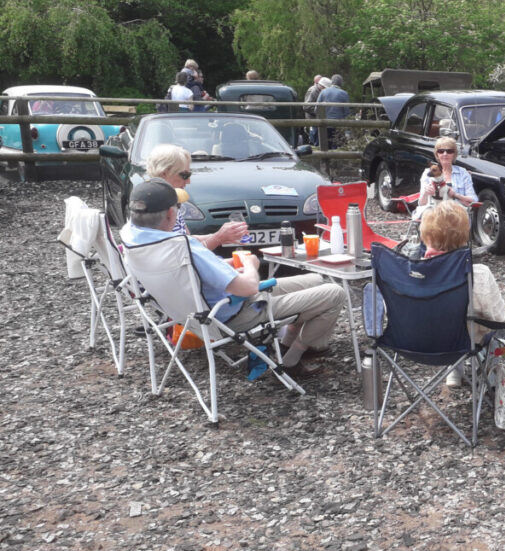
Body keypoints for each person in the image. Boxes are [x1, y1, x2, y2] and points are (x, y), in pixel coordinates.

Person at [121, 179, 344, 378]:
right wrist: (251, 265)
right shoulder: (182, 246)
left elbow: (192, 273)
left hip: (193, 315)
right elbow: (247, 287)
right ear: (171, 213)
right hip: (235, 313)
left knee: (315, 280)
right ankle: (291, 359)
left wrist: (227, 266)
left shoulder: (135, 241)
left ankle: (285, 347)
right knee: (335, 293)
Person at [420, 201, 505, 385]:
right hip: (463, 341)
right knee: (498, 321)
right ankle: (491, 374)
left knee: (450, 319)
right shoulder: (477, 274)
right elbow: (499, 319)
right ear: (464, 237)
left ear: (426, 237)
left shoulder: (412, 273)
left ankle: (454, 372)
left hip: (418, 341)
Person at [144, 144, 249, 249]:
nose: (188, 181)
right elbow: (180, 253)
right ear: (164, 173)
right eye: (184, 175)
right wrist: (218, 238)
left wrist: (224, 236)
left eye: (189, 175)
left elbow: (187, 239)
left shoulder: (170, 200)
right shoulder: (156, 207)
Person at [416, 136, 477, 216]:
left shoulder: (463, 173)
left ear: (454, 154)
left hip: (455, 213)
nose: (445, 154)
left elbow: (473, 200)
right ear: (437, 154)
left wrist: (456, 195)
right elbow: (421, 203)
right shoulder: (428, 173)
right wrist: (425, 193)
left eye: (449, 151)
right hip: (433, 213)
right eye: (441, 151)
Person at [316, 74, 351, 148]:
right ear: (341, 83)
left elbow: (317, 109)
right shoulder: (344, 94)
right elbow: (347, 112)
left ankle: (325, 159)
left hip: (324, 124)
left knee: (324, 148)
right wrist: (347, 131)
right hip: (339, 126)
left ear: (332, 82)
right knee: (337, 148)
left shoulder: (323, 92)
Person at [303, 75, 327, 146]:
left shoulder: (320, 91)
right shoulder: (312, 91)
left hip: (318, 119)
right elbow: (306, 106)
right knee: (314, 140)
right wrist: (319, 111)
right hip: (313, 119)